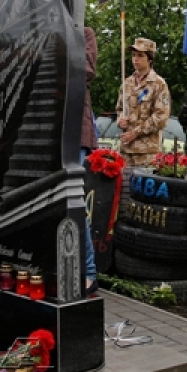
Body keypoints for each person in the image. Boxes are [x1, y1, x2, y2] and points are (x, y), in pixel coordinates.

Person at [115, 37, 171, 166]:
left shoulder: (158, 84)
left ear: (150, 59)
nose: (135, 59)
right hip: (126, 151)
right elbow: (119, 109)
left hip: (147, 152)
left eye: (140, 55)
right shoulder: (127, 83)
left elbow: (161, 116)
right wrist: (120, 120)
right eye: (134, 55)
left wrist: (136, 133)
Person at [80, 27, 99, 294]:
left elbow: (86, 70)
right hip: (41, 129)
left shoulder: (83, 33)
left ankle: (89, 271)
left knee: (72, 198)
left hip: (72, 132)